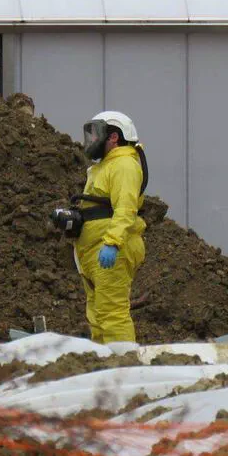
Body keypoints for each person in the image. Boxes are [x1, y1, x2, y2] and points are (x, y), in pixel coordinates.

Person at [73, 111, 147, 347]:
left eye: (96, 133)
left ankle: (123, 369)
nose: (91, 139)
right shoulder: (105, 167)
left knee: (112, 313)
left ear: (113, 137)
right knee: (98, 315)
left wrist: (112, 242)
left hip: (112, 248)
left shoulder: (124, 164)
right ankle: (104, 369)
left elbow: (125, 208)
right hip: (95, 250)